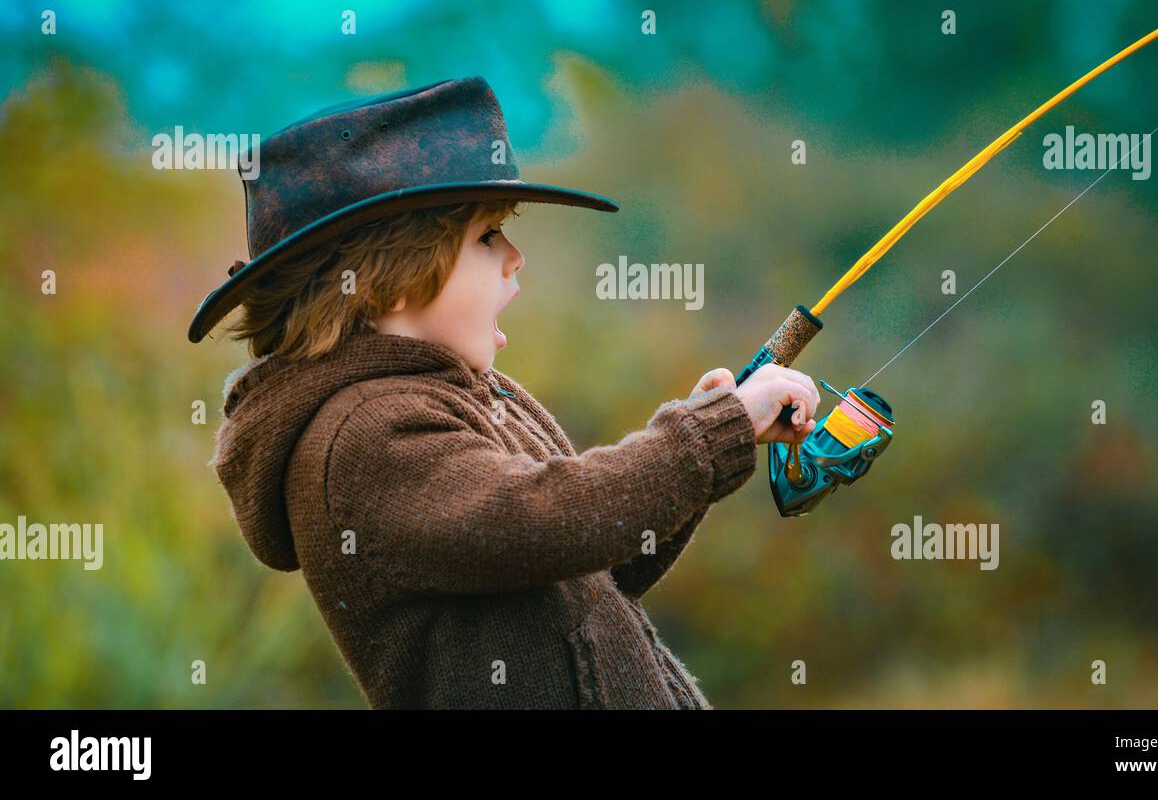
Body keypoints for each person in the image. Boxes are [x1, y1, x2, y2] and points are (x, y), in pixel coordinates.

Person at [192, 76, 819, 708]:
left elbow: (590, 568)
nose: (515, 256)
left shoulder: (470, 396)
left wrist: (712, 429)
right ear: (390, 280)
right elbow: (547, 520)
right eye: (488, 236)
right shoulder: (362, 439)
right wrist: (704, 439)